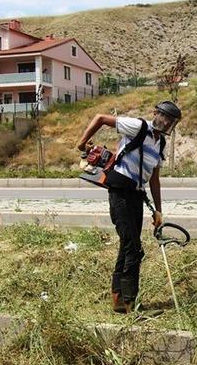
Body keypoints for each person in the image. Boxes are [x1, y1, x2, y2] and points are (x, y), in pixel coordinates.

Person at [75, 101, 182, 313]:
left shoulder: (160, 144)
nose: (166, 122)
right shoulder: (138, 127)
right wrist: (82, 144)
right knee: (133, 247)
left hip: (135, 194)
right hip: (119, 191)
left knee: (128, 246)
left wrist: (158, 210)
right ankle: (129, 304)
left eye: (170, 120)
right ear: (155, 114)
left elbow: (154, 179)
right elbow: (100, 118)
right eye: (163, 116)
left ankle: (119, 301)